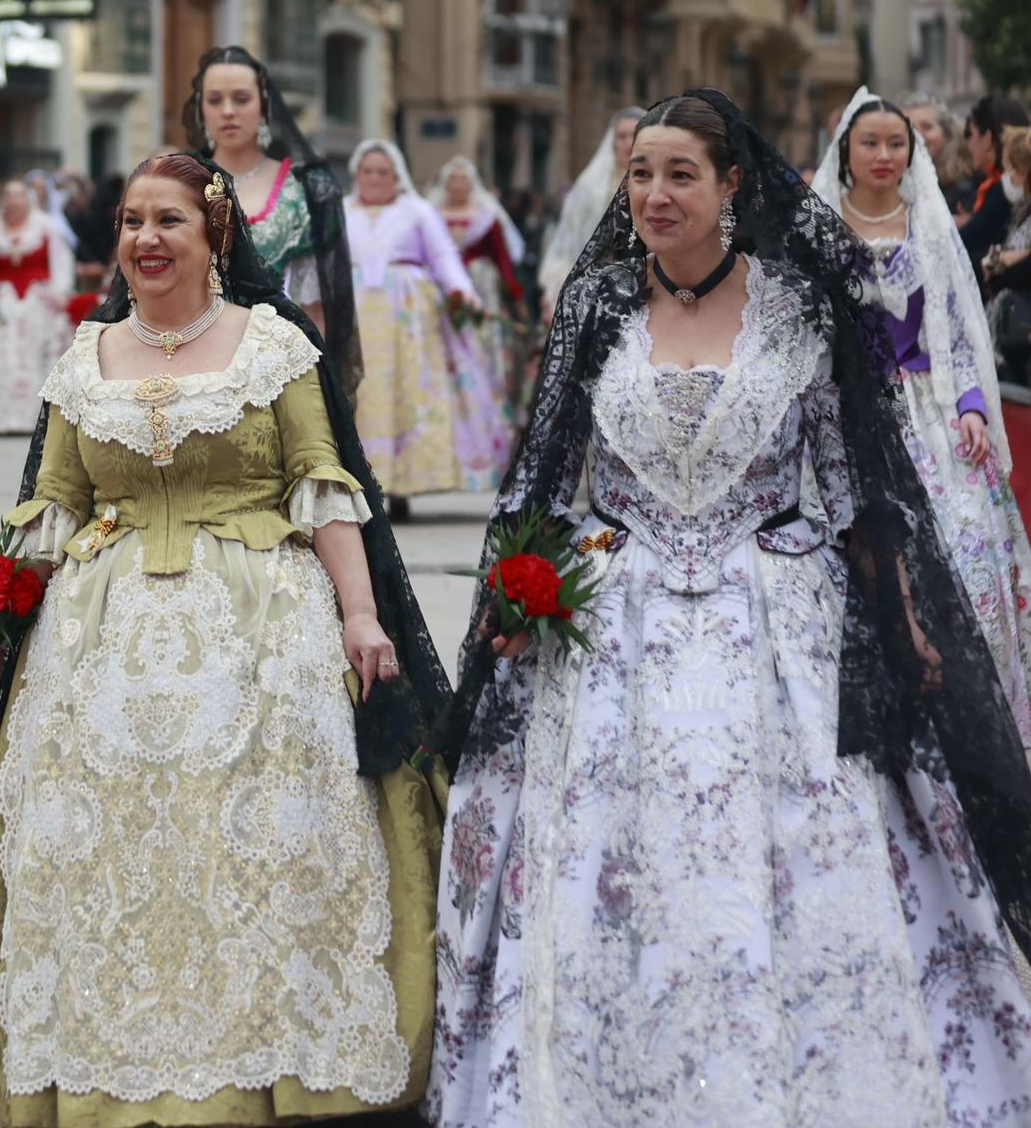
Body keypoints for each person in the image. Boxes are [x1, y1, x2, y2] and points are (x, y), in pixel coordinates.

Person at [431, 90, 1031, 1124]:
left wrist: (902, 621)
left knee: (814, 842)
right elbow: (548, 474)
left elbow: (851, 484)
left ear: (729, 185)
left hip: (774, 611)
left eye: (678, 174)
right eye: (640, 175)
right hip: (614, 624)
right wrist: (515, 589)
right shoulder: (599, 307)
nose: (654, 194)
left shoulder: (802, 306)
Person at [0, 151, 450, 1124]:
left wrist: (356, 612)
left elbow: (321, 484)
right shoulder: (84, 356)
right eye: (130, 220)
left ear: (214, 234)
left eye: (167, 219)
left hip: (259, 623)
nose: (144, 238)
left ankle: (266, 1061)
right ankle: (94, 1059)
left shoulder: (269, 345)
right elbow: (51, 502)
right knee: (86, 841)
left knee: (259, 847)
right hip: (101, 630)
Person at [812, 89, 1031, 748]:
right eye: (870, 142)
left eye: (896, 143)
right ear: (846, 152)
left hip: (933, 414)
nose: (884, 154)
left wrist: (970, 408)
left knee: (962, 554)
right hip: (850, 411)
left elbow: (962, 333)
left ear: (913, 152)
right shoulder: (818, 229)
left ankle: (974, 720)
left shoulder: (931, 228)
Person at [182, 45, 359, 402]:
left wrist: (312, 387)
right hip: (188, 360)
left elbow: (315, 307)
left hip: (271, 367)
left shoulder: (302, 189)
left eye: (241, 99)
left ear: (263, 106)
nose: (228, 111)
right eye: (215, 100)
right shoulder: (178, 183)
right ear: (201, 109)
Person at [344, 139, 499, 502]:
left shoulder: (418, 211)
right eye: (367, 171)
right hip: (353, 318)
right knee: (361, 396)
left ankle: (402, 486)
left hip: (408, 319)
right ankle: (364, 482)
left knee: (404, 392)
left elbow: (443, 255)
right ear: (356, 174)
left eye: (383, 171)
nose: (374, 178)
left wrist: (461, 291)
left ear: (397, 176)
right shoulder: (340, 211)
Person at [0, 178, 75, 434]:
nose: (13, 203)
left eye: (18, 197)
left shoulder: (45, 228)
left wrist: (57, 294)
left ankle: (35, 419)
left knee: (32, 355)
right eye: (8, 197)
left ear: (27, 200)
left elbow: (60, 263)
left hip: (36, 301)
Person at [430, 155, 529, 432]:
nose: (458, 185)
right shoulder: (432, 215)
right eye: (453, 179)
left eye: (463, 179)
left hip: (481, 288)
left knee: (482, 340)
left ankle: (486, 401)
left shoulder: (486, 218)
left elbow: (503, 261)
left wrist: (517, 297)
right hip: (442, 289)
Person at [536, 107, 644, 310]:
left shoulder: (660, 187)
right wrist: (555, 292)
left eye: (635, 134)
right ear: (612, 141)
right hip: (599, 289)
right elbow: (569, 242)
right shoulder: (590, 188)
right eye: (621, 136)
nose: (629, 142)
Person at [960, 94, 1031, 266]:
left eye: (970, 133)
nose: (967, 142)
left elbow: (961, 245)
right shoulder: (988, 186)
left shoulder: (1002, 192)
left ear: (989, 138)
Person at [904, 93, 975, 217]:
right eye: (910, 128)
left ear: (946, 133)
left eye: (927, 127)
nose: (917, 135)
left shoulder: (964, 187)